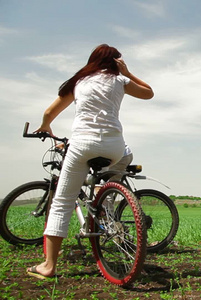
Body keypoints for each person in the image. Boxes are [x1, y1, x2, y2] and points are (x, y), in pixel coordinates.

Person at [27, 44, 154, 279]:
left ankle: (49, 266)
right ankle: (102, 202)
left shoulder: (79, 82)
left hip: (82, 144)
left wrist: (46, 126)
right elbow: (149, 92)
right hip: (115, 146)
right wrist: (127, 72)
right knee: (117, 164)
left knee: (63, 201)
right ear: (116, 62)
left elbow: (48, 113)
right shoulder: (120, 81)